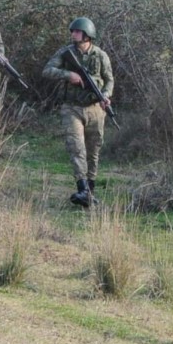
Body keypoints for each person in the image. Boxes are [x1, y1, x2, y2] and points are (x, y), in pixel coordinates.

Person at [42, 17, 113, 207]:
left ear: (87, 34)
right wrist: (68, 75)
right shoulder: (66, 53)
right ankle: (82, 188)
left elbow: (109, 80)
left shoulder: (100, 55)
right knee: (76, 147)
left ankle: (89, 191)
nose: (73, 34)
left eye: (77, 32)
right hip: (71, 107)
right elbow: (47, 70)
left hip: (95, 109)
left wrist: (105, 95)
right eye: (72, 31)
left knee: (93, 150)